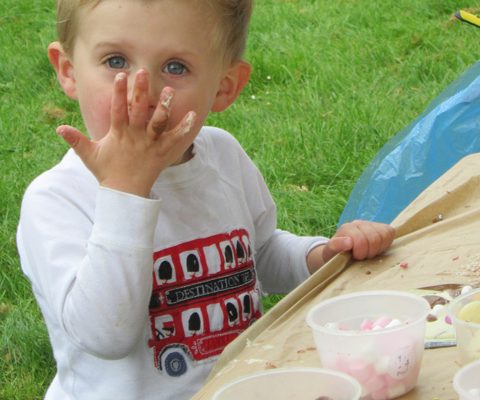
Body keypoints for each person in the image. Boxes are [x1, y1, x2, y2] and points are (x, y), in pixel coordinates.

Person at [16, 0, 395, 399]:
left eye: (175, 67)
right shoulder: (57, 200)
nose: (142, 92)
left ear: (224, 86)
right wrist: (126, 190)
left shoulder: (224, 157)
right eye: (115, 61)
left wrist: (320, 257)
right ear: (68, 70)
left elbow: (258, 254)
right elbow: (105, 335)